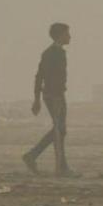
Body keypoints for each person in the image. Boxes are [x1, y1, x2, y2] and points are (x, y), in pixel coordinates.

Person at [22, 21, 74, 177]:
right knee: (59, 130)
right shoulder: (52, 53)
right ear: (60, 35)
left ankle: (35, 157)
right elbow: (40, 76)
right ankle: (59, 167)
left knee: (60, 130)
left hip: (55, 95)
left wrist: (38, 98)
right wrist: (37, 99)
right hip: (54, 96)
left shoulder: (56, 53)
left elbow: (40, 76)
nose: (70, 37)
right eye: (67, 34)